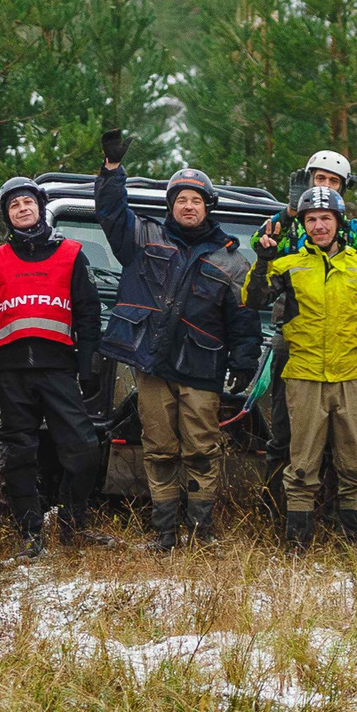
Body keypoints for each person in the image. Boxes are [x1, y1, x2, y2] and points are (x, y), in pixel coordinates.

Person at [94, 141, 259, 549]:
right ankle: (164, 532)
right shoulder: (143, 236)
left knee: (202, 448)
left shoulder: (233, 261)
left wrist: (244, 358)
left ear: (208, 206)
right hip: (151, 363)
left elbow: (243, 317)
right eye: (181, 199)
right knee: (160, 448)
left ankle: (202, 534)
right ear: (171, 206)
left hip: (202, 368)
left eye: (195, 200)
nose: (188, 206)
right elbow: (111, 213)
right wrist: (112, 170)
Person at [250, 185, 357, 548]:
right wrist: (263, 258)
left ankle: (353, 543)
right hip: (303, 376)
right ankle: (297, 543)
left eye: (325, 218)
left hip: (350, 377)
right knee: (302, 464)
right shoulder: (289, 264)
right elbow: (250, 299)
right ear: (304, 225)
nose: (318, 226)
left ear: (338, 222)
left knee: (353, 463)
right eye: (311, 219)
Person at [0, 176, 105, 557]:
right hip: (12, 373)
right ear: (7, 216)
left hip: (58, 369)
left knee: (83, 448)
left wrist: (87, 366)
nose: (22, 209)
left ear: (40, 206)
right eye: (14, 206)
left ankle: (70, 523)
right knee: (19, 455)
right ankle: (30, 533)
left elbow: (89, 314)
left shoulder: (72, 253)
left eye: (27, 202)